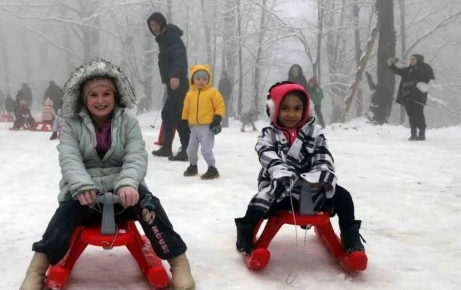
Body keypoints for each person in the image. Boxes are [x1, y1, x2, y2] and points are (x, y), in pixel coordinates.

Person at [18, 59, 195, 290]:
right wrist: (81, 185)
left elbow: (135, 155)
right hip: (85, 193)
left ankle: (177, 260)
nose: (100, 100)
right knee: (64, 214)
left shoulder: (129, 124)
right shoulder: (72, 126)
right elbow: (69, 158)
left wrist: (128, 182)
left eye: (106, 93)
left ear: (116, 94)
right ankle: (37, 268)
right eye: (93, 95)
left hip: (123, 192)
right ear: (84, 97)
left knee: (150, 205)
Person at [234, 81, 365, 256]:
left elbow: (322, 154)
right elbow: (266, 154)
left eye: (297, 109)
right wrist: (282, 172)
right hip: (281, 188)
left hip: (312, 190)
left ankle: (350, 237)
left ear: (305, 110)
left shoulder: (314, 133)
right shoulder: (268, 134)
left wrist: (319, 177)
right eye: (285, 108)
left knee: (344, 198)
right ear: (274, 110)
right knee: (259, 202)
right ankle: (246, 232)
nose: (291, 114)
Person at [147, 12, 190, 161]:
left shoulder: (170, 37)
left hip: (177, 81)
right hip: (172, 83)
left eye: (156, 24)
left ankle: (186, 149)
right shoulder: (164, 38)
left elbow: (178, 56)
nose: (154, 27)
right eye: (151, 25)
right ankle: (166, 147)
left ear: (162, 22)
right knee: (167, 114)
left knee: (179, 116)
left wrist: (174, 75)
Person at [180, 65, 225, 180]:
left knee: (206, 149)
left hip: (207, 126)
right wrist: (184, 121)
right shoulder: (190, 94)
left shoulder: (212, 92)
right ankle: (193, 166)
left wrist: (217, 118)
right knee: (191, 149)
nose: (201, 81)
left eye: (204, 79)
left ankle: (212, 168)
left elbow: (220, 105)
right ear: (193, 80)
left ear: (208, 80)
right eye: (198, 78)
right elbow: (186, 108)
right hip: (193, 127)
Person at [388, 54, 435, 141]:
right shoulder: (407, 70)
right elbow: (397, 70)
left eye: (413, 59)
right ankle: (413, 134)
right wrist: (391, 64)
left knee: (419, 114)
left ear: (418, 60)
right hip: (408, 96)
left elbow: (426, 81)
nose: (411, 61)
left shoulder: (424, 69)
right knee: (411, 115)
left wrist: (414, 82)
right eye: (411, 59)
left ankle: (421, 134)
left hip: (419, 97)